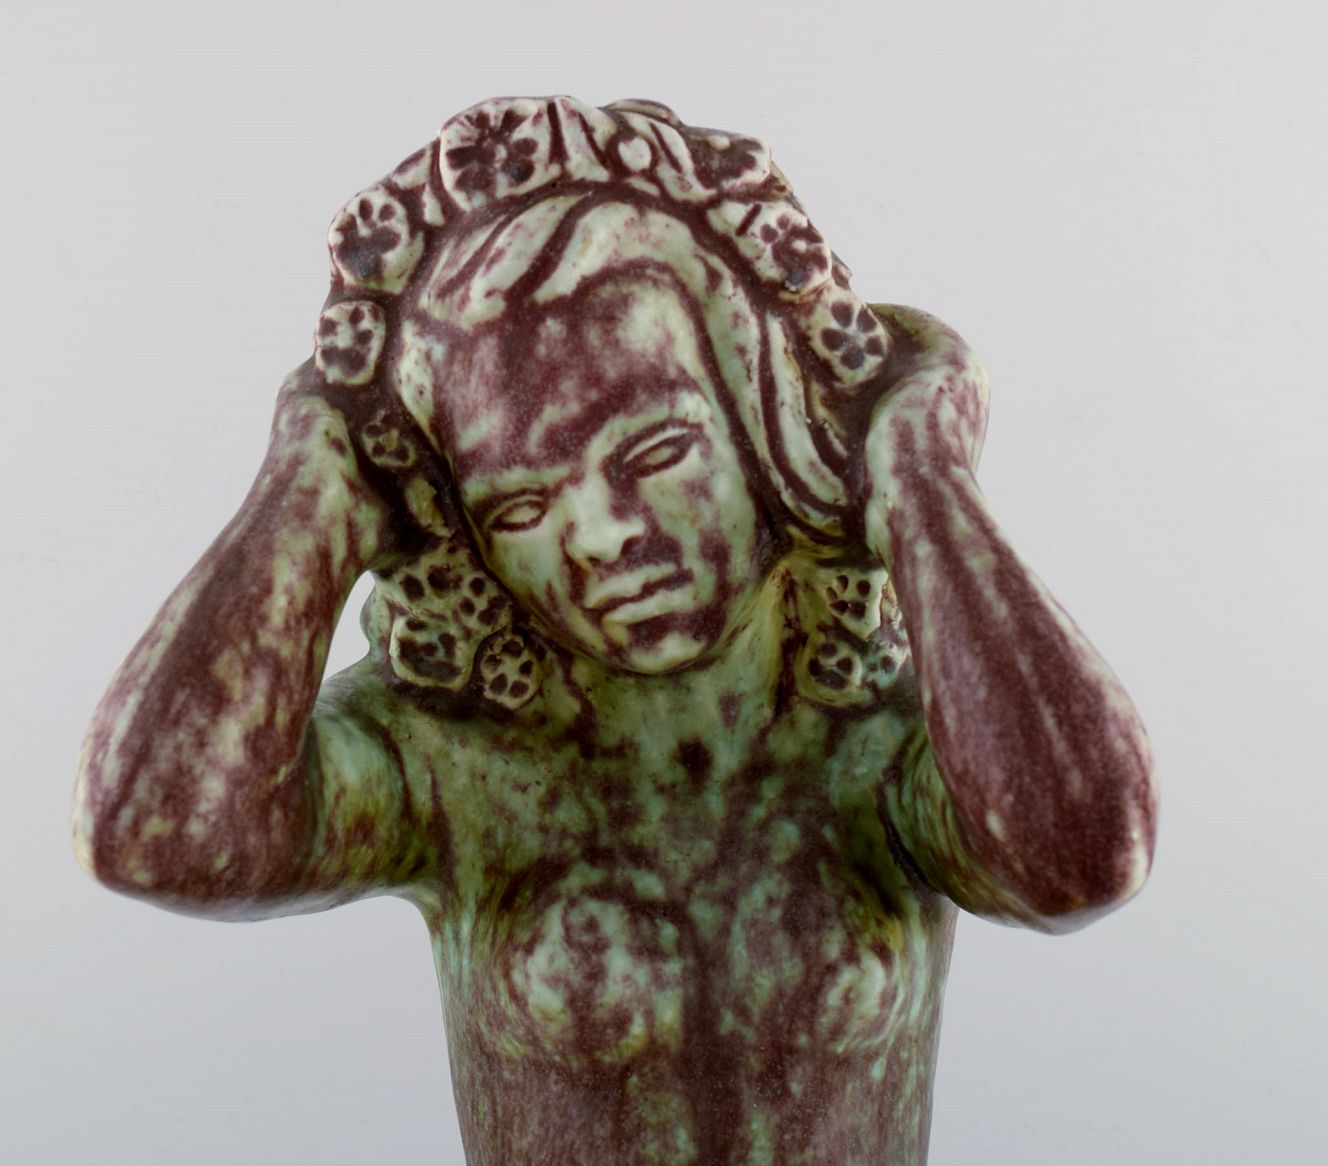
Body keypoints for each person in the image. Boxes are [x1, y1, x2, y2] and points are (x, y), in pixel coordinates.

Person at [72, 96, 1157, 1164]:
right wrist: (311, 483)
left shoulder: (876, 746)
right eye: (519, 507)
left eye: (654, 452)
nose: (601, 536)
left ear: (762, 425)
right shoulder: (450, 761)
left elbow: (1083, 849)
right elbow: (154, 831)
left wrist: (919, 472)